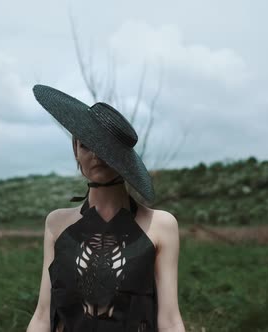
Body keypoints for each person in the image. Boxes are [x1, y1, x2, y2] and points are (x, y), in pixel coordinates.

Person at [26, 84, 185, 332]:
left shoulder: (160, 226)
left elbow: (170, 320)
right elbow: (43, 315)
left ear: (122, 157)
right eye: (86, 145)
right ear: (76, 152)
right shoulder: (57, 224)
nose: (96, 155)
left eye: (104, 147)